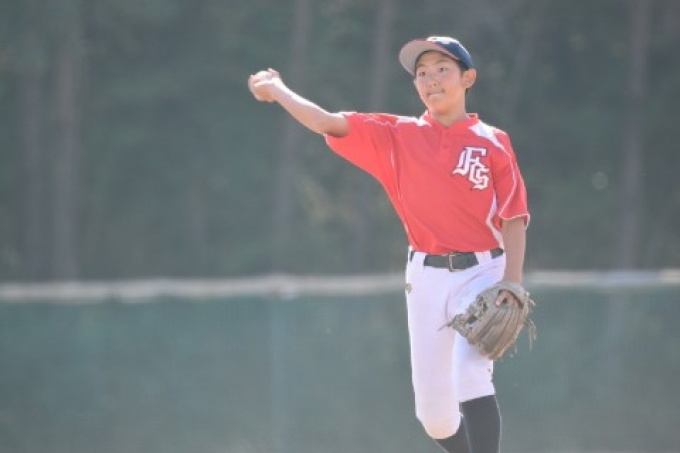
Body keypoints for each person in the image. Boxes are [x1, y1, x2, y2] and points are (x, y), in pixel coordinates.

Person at [248, 36, 530, 453]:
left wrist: (513, 281)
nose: (431, 79)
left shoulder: (492, 141)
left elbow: (514, 215)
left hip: (483, 271)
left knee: (470, 373)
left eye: (442, 69)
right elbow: (326, 121)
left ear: (468, 78)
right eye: (422, 73)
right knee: (434, 416)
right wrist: (277, 89)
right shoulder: (397, 135)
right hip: (425, 277)